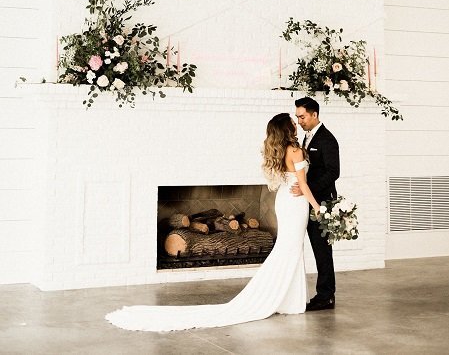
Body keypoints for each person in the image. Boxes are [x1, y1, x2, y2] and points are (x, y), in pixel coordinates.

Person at [105, 112, 320, 332]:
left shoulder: (282, 150)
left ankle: (288, 299)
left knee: (289, 249)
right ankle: (283, 299)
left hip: (285, 200)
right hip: (295, 203)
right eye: (293, 123)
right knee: (291, 249)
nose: (296, 125)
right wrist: (318, 207)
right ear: (287, 129)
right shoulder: (295, 150)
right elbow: (303, 185)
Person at [292, 96, 340, 311]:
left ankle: (326, 296)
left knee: (322, 250)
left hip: (321, 202)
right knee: (317, 249)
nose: (300, 121)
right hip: (309, 200)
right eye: (297, 117)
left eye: (302, 117)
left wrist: (306, 188)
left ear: (314, 114)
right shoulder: (306, 138)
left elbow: (333, 172)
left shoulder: (327, 139)